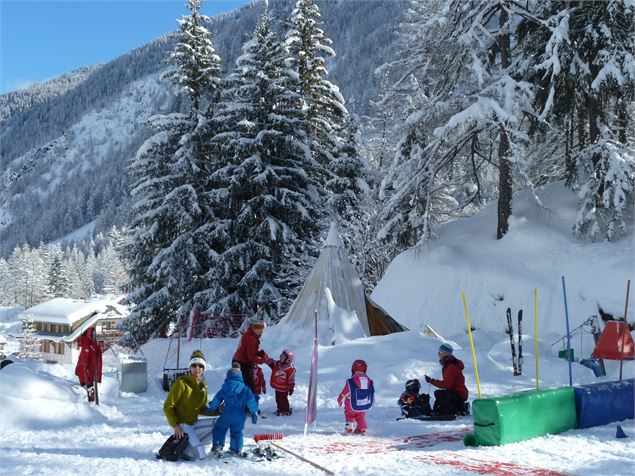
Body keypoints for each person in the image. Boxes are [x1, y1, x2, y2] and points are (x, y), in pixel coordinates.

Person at [163, 350, 219, 460]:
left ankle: (190, 444)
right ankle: (186, 448)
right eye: (194, 365)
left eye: (200, 365)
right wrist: (176, 425)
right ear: (190, 367)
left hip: (193, 423)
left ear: (203, 369)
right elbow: (167, 406)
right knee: (201, 456)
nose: (197, 368)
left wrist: (219, 411)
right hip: (183, 426)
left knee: (220, 423)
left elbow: (202, 409)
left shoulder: (203, 387)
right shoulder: (181, 384)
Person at [207, 362, 259, 456]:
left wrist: (211, 408)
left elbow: (217, 399)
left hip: (227, 414)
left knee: (220, 428)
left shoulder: (225, 388)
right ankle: (236, 449)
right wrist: (254, 412)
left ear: (228, 376)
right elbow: (252, 403)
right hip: (240, 416)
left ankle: (218, 446)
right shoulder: (246, 389)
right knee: (237, 432)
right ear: (241, 377)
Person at [424, 343, 469, 416]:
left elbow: (446, 385)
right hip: (458, 394)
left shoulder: (451, 367)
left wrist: (431, 381)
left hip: (459, 394)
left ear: (444, 353)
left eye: (439, 352)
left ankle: (453, 412)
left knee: (438, 393)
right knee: (440, 396)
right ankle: (460, 408)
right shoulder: (449, 364)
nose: (438, 354)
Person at [337, 359, 374, 435]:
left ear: (353, 369)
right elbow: (371, 392)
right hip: (363, 404)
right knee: (360, 415)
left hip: (351, 405)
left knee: (349, 414)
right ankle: (362, 428)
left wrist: (340, 400)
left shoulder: (351, 381)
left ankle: (349, 426)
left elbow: (345, 393)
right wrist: (372, 402)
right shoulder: (369, 381)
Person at [232, 317, 268, 394]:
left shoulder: (248, 335)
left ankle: (237, 400)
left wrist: (259, 353)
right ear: (255, 329)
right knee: (249, 385)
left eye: (262, 329)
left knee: (239, 383)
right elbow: (251, 357)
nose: (262, 332)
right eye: (260, 329)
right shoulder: (252, 339)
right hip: (243, 363)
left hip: (237, 361)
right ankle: (247, 404)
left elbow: (247, 350)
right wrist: (262, 360)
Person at [74, 327, 102, 402]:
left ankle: (91, 397)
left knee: (86, 383)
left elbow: (85, 361)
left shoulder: (87, 343)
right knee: (87, 383)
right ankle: (91, 397)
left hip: (88, 371)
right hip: (89, 371)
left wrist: (85, 371)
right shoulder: (90, 343)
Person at [265, 349, 296, 416]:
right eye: (281, 355)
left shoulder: (290, 369)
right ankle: (280, 408)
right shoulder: (276, 364)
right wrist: (263, 356)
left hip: (284, 389)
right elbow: (270, 362)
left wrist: (291, 388)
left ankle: (286, 410)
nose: (280, 357)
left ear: (288, 360)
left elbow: (291, 380)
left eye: (283, 357)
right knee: (278, 399)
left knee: (283, 400)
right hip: (277, 387)